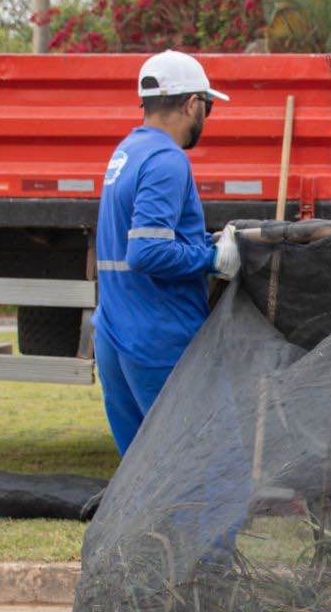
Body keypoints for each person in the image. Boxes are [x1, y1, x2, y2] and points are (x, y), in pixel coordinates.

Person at [92, 50, 243, 455]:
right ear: (192, 103)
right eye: (207, 106)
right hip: (158, 333)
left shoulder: (127, 152)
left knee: (141, 469)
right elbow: (146, 252)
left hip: (115, 331)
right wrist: (213, 260)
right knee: (202, 461)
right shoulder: (166, 160)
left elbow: (136, 239)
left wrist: (204, 242)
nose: (206, 116)